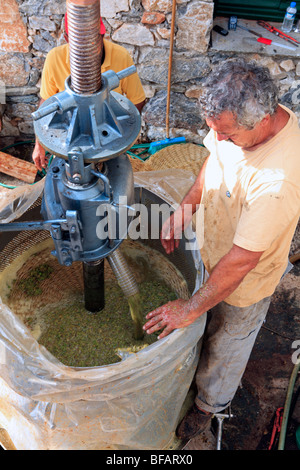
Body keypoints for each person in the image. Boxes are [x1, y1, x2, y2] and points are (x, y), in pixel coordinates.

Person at [143, 58, 300, 440]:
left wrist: (191, 306)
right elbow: (214, 160)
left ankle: (209, 406)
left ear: (263, 119)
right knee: (203, 324)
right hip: (213, 246)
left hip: (244, 282)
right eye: (217, 131)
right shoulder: (234, 126)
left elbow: (243, 260)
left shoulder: (278, 180)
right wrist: (185, 209)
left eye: (227, 134)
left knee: (226, 346)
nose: (221, 139)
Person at [32, 14, 146, 171]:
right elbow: (45, 103)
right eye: (80, 41)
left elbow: (137, 100)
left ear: (103, 34)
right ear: (66, 38)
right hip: (70, 140)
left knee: (120, 188)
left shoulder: (121, 56)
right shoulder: (55, 59)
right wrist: (39, 145)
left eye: (94, 38)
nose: (88, 46)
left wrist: (121, 132)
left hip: (108, 140)